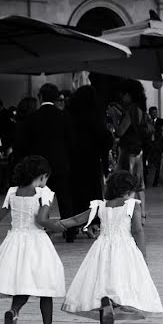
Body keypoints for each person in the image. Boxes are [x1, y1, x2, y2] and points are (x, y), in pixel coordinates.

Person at [59, 171, 163, 324]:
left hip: (102, 248)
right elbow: (137, 230)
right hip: (125, 249)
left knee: (103, 284)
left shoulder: (101, 205)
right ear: (129, 190)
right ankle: (112, 306)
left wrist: (57, 225)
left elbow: (78, 219)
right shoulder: (132, 205)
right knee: (122, 283)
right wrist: (143, 254)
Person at [0, 155, 67, 324]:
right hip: (37, 243)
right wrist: (59, 227)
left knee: (22, 285)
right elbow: (41, 220)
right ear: (42, 176)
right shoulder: (44, 193)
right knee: (45, 287)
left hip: (15, 243)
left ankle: (13, 311)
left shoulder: (12, 192)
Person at [13, 83, 75, 240]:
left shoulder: (31, 118)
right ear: (56, 99)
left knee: (39, 198)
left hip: (38, 167)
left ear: (40, 97)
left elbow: (23, 144)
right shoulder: (64, 117)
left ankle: (39, 229)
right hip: (60, 164)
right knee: (64, 198)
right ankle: (70, 232)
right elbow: (71, 142)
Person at [67, 85, 113, 226]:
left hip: (73, 159)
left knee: (77, 192)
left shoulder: (70, 114)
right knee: (92, 192)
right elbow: (104, 137)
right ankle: (92, 221)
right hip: (91, 159)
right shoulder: (93, 115)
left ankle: (76, 222)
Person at [114, 91, 147, 220]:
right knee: (139, 182)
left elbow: (120, 131)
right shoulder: (141, 110)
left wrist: (115, 119)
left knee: (127, 181)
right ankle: (143, 212)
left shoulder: (131, 110)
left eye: (125, 93)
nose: (123, 96)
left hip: (128, 149)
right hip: (139, 149)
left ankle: (129, 213)